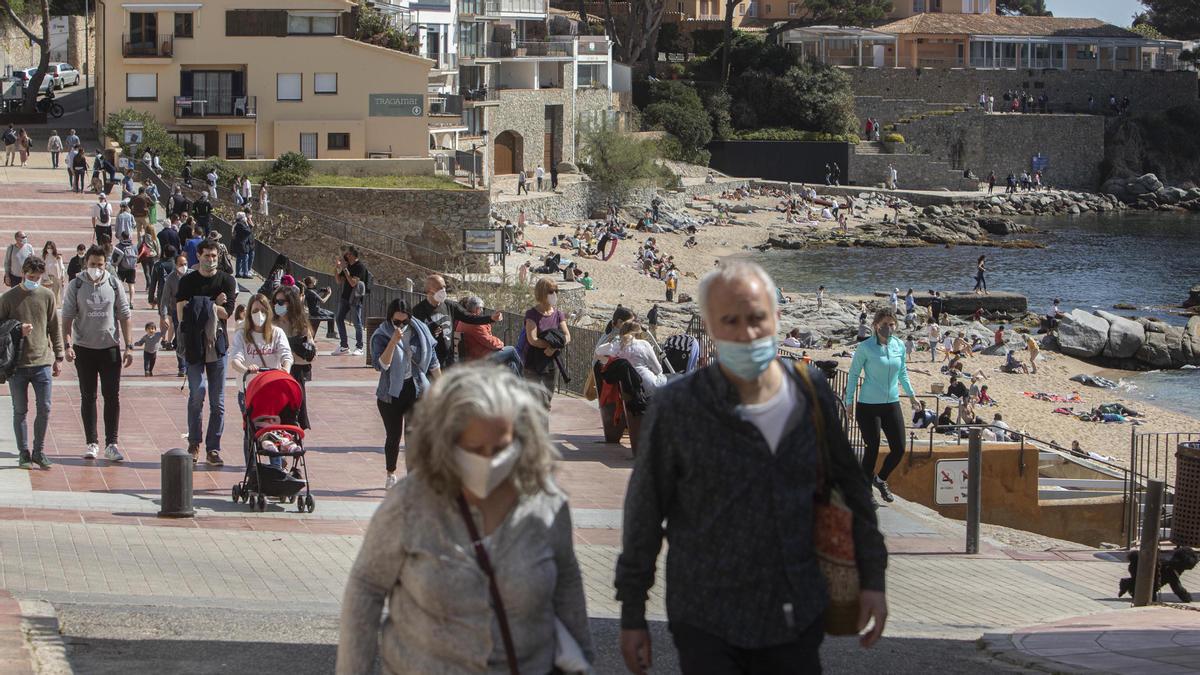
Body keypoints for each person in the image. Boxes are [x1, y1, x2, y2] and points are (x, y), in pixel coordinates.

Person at [616, 261, 887, 674]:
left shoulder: (809, 392)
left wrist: (873, 576)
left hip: (795, 611)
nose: (746, 333)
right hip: (706, 617)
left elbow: (850, 485)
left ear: (777, 317)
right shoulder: (678, 407)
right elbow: (645, 512)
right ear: (709, 326)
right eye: (730, 320)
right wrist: (632, 613)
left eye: (757, 318)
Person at [337, 365, 593, 674]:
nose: (489, 460)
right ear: (447, 443)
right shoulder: (410, 503)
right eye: (474, 449)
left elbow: (567, 582)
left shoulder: (546, 504)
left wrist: (583, 658)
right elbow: (367, 586)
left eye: (500, 448)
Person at [61, 245, 134, 462]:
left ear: (106, 265)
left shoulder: (113, 283)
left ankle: (112, 443)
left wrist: (129, 346)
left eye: (100, 265)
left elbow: (124, 314)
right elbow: (66, 317)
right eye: (92, 264)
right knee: (88, 396)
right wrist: (67, 345)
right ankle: (91, 442)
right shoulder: (77, 284)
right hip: (84, 349)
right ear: (86, 264)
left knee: (111, 396)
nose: (96, 268)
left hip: (109, 349)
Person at [845, 308, 919, 505]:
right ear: (876, 325)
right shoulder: (866, 347)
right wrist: (849, 402)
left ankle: (881, 479)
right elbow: (853, 375)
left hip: (891, 403)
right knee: (873, 447)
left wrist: (912, 396)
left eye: (892, 324)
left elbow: (902, 372)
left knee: (899, 448)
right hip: (868, 405)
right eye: (885, 324)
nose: (888, 327)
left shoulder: (899, 345)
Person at [176, 240, 238, 466]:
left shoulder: (226, 280)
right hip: (193, 344)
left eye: (214, 256)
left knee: (218, 402)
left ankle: (213, 448)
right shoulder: (188, 280)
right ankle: (194, 442)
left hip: (218, 345)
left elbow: (226, 313)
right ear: (198, 256)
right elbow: (181, 310)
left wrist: (200, 305)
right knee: (197, 393)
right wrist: (212, 303)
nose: (211, 260)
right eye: (207, 255)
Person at [0, 256, 64, 469]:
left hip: (42, 361)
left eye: (37, 278)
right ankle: (23, 452)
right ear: (23, 273)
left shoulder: (47, 296)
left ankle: (39, 451)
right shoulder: (8, 298)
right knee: (20, 410)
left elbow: (54, 326)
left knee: (44, 408)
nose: (33, 281)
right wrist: (17, 329)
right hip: (17, 365)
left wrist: (59, 355)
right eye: (30, 277)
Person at [371, 298, 440, 489]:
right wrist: (393, 342)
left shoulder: (420, 331)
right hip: (390, 393)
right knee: (393, 436)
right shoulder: (381, 335)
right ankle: (391, 472)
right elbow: (381, 365)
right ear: (390, 319)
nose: (401, 325)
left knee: (413, 436)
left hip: (416, 388)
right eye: (396, 322)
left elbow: (433, 360)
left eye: (404, 321)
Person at [411, 273, 499, 370]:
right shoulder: (418, 311)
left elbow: (470, 318)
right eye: (439, 288)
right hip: (429, 361)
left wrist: (491, 318)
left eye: (444, 287)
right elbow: (414, 336)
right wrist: (430, 332)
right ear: (429, 290)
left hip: (448, 359)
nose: (443, 290)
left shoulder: (450, 305)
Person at [230, 293, 293, 423]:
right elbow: (235, 359)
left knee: (274, 425)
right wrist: (246, 369)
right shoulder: (242, 334)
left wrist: (285, 369)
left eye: (263, 311)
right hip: (249, 390)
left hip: (272, 388)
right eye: (255, 311)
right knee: (251, 429)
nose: (259, 314)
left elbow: (286, 354)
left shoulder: (277, 333)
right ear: (249, 313)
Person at [272, 286, 315, 429]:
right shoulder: (271, 323)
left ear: (290, 303)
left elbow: (310, 354)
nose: (277, 305)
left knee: (294, 411)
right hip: (274, 371)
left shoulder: (300, 324)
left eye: (281, 301)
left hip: (295, 371)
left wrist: (294, 344)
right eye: (275, 301)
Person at [522, 277, 570, 407]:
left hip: (552, 364)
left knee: (546, 403)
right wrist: (549, 346)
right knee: (536, 403)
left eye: (556, 291)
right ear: (542, 293)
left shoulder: (558, 314)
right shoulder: (532, 314)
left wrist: (553, 348)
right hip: (534, 365)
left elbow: (567, 336)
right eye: (551, 291)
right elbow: (533, 340)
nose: (554, 294)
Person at [455, 295, 523, 375]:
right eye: (482, 309)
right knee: (511, 350)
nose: (482, 311)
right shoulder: (475, 324)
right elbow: (489, 342)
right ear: (477, 310)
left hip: (471, 356)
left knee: (511, 364)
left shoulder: (463, 321)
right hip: (481, 358)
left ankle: (516, 383)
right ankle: (522, 379)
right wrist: (501, 344)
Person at [595, 321, 666, 392]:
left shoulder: (614, 346)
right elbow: (658, 370)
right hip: (647, 388)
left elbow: (598, 351)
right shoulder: (643, 344)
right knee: (668, 378)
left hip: (626, 392)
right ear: (638, 334)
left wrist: (611, 343)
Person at [332, 247, 366, 356]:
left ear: (353, 255)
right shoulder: (347, 267)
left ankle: (359, 347)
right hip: (345, 297)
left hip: (355, 298)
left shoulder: (360, 267)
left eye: (348, 254)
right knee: (339, 318)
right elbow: (339, 281)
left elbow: (352, 283)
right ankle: (344, 346)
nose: (346, 256)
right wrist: (336, 269)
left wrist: (345, 270)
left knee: (357, 323)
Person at [38, 241, 65, 307]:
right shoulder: (43, 257)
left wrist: (63, 277)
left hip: (55, 278)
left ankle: (53, 309)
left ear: (54, 248)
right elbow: (41, 268)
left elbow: (62, 268)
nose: (49, 249)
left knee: (54, 295)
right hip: (46, 278)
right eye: (48, 248)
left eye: (51, 248)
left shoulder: (58, 257)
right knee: (45, 295)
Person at [231, 212, 254, 278]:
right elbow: (248, 232)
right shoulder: (240, 224)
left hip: (237, 243)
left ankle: (238, 273)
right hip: (242, 244)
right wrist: (247, 224)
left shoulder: (236, 224)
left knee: (239, 258)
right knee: (245, 258)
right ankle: (245, 273)